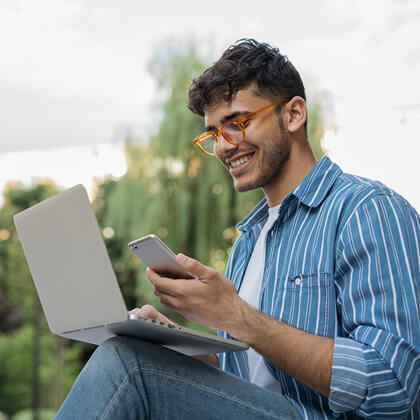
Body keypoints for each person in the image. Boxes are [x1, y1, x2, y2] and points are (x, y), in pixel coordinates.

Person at [55, 39, 420, 419]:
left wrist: (235, 315)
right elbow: (248, 380)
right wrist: (173, 341)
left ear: (294, 114)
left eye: (237, 123)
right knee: (138, 353)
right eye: (214, 134)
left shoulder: (367, 209)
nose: (223, 148)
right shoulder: (249, 239)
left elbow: (393, 385)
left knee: (127, 364)